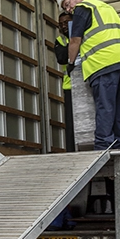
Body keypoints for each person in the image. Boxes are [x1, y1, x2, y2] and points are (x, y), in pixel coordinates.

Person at [57, 0, 120, 150]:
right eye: (66, 8)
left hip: (103, 63)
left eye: (67, 4)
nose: (69, 9)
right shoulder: (104, 6)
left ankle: (103, 145)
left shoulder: (82, 9)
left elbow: (75, 40)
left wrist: (71, 63)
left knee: (105, 105)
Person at [54, 12, 75, 151]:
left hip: (87, 83)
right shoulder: (60, 40)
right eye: (61, 24)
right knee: (71, 122)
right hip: (70, 86)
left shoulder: (84, 36)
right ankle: (72, 150)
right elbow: (61, 57)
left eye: (66, 22)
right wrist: (75, 44)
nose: (63, 26)